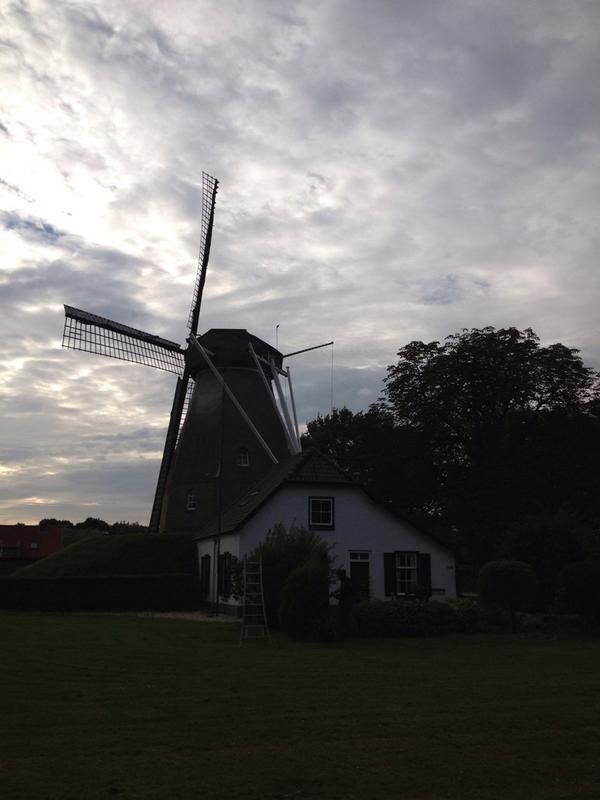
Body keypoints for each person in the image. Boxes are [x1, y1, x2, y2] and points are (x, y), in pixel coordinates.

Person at [331, 568, 355, 639]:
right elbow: (341, 589)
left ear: (342, 575)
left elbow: (342, 596)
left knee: (344, 619)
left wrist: (334, 595)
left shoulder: (346, 583)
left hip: (346, 603)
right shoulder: (345, 581)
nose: (338, 577)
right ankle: (347, 634)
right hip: (346, 603)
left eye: (339, 575)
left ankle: (347, 635)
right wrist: (336, 591)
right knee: (345, 619)